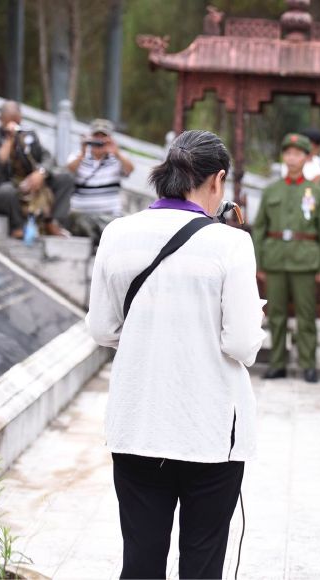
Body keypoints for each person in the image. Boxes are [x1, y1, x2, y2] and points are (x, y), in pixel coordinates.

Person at [86, 129, 265, 579]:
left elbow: (102, 328)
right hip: (210, 431)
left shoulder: (117, 233)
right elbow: (242, 343)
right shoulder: (231, 243)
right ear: (217, 180)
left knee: (141, 563)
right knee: (202, 564)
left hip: (137, 422)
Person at [253, 133, 320, 383]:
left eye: (297, 154)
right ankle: (278, 364)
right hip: (275, 260)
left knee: (306, 317)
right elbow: (259, 228)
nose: (292, 158)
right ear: (283, 156)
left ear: (306, 157)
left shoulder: (316, 192)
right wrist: (259, 262)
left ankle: (308, 364)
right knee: (276, 316)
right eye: (288, 153)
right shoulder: (271, 191)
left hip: (305, 262)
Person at [0, 100, 73, 237]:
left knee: (65, 178)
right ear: (1, 119)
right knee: (6, 191)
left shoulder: (29, 135)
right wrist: (9, 139)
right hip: (5, 188)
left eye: (16, 121)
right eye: (9, 121)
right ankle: (18, 227)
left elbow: (47, 157)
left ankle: (53, 222)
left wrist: (41, 172)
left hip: (32, 182)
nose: (14, 125)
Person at [65, 118, 134, 242]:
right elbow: (69, 170)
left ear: (110, 139)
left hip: (109, 215)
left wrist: (116, 153)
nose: (99, 140)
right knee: (80, 221)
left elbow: (130, 169)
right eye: (96, 136)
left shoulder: (117, 158)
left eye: (103, 137)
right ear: (90, 137)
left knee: (117, 225)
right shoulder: (79, 155)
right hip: (82, 214)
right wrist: (82, 152)